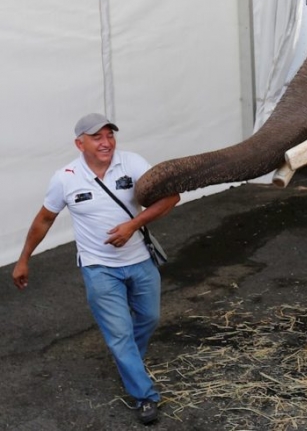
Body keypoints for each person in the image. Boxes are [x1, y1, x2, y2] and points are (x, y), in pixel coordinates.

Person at [12, 113, 180, 425]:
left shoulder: (133, 164)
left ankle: (129, 363)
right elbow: (44, 219)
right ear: (80, 143)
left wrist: (134, 224)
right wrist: (24, 258)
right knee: (119, 334)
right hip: (98, 268)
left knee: (150, 318)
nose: (106, 143)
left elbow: (171, 197)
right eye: (97, 137)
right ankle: (144, 395)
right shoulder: (66, 177)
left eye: (110, 136)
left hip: (140, 260)